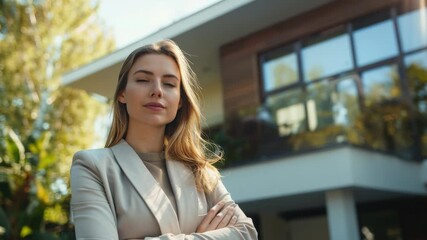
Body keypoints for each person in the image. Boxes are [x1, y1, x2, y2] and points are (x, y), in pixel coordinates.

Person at [70, 39, 258, 239]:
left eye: (169, 84)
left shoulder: (200, 171)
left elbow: (246, 233)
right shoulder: (92, 167)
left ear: (179, 102)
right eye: (143, 80)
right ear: (122, 94)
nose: (157, 90)